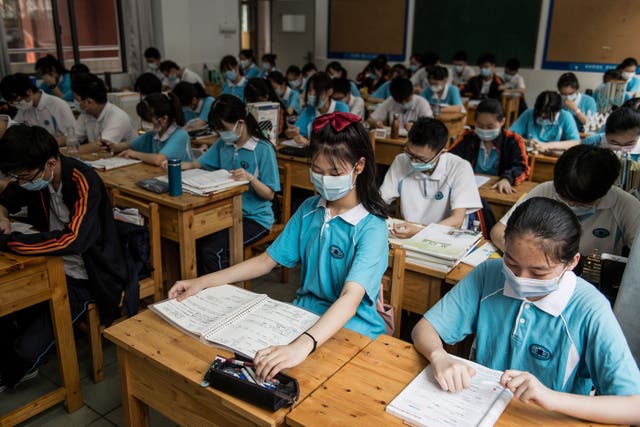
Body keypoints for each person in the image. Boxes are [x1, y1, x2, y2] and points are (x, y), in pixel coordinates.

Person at [168, 111, 389, 382]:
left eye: (335, 173)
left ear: (359, 166)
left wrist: (301, 345)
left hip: (352, 329)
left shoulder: (372, 228)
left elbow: (349, 299)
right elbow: (266, 261)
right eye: (317, 171)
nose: (324, 179)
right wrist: (202, 282)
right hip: (300, 316)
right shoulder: (310, 208)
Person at [413, 196, 640, 425]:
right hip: (478, 409)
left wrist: (550, 398)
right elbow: (425, 328)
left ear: (571, 262)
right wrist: (439, 355)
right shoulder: (490, 274)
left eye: (539, 273)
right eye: (511, 263)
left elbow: (634, 407)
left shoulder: (589, 308)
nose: (520, 279)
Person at [0, 124, 128, 390]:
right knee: (11, 315)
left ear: (50, 163)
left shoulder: (83, 179)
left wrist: (11, 241)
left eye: (24, 176)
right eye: (18, 177)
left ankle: (15, 371)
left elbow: (74, 240)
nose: (22, 182)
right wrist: (2, 216)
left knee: (25, 349)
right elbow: (7, 196)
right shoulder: (35, 175)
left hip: (87, 274)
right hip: (49, 264)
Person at [179, 95, 279, 274]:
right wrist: (174, 166)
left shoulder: (263, 149)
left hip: (255, 218)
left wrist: (251, 178)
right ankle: (202, 290)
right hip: (226, 213)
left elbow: (270, 194)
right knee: (195, 239)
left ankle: (221, 295)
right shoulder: (224, 144)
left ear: (240, 123)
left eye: (223, 129)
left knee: (211, 250)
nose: (221, 135)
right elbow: (197, 164)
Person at [490, 145, 640, 259]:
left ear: (606, 190)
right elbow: (498, 232)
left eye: (580, 203)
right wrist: (533, 260)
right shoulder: (546, 190)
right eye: (564, 197)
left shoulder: (626, 206)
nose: (571, 206)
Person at [380, 117, 482, 237]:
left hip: (446, 235)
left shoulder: (460, 167)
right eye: (410, 153)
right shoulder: (402, 160)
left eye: (420, 159)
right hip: (409, 231)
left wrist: (419, 232)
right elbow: (381, 200)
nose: (413, 161)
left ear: (442, 151)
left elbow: (456, 220)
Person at [449, 99, 529, 194]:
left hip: (497, 190)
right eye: (479, 125)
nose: (484, 130)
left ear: (502, 121)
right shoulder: (468, 137)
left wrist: (507, 179)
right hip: (468, 188)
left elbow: (522, 167)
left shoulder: (513, 140)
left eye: (490, 127)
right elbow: (450, 158)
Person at [111, 92, 193, 166]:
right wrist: (110, 146)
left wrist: (135, 154)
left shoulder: (180, 135)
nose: (145, 123)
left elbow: (159, 160)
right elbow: (126, 145)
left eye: (148, 120)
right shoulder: (153, 134)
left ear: (164, 119)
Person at [0, 73, 75, 146]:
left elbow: (74, 136)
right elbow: (15, 130)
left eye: (18, 101)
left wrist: (46, 144)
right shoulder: (24, 109)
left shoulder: (57, 105)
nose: (17, 106)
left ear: (29, 92)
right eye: (12, 103)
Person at [71, 73, 137, 154]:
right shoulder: (86, 113)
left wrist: (68, 151)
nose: (76, 103)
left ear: (89, 102)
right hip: (102, 160)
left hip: (127, 162)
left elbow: (101, 146)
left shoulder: (117, 116)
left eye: (77, 99)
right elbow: (73, 137)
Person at [287, 72, 349, 144]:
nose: (312, 96)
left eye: (317, 92)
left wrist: (307, 143)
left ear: (329, 92)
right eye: (310, 91)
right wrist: (291, 133)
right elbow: (299, 131)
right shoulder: (309, 109)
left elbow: (339, 142)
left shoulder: (341, 109)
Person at [509, 91, 580, 152]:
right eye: (540, 111)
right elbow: (510, 134)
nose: (542, 115)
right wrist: (527, 142)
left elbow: (575, 142)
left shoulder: (565, 117)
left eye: (547, 113)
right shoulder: (529, 113)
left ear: (557, 111)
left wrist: (548, 145)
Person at [367, 77, 433, 131]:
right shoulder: (390, 101)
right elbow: (370, 120)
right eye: (399, 101)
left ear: (412, 93)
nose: (404, 103)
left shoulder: (422, 103)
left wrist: (416, 126)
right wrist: (376, 123)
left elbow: (430, 126)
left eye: (407, 99)